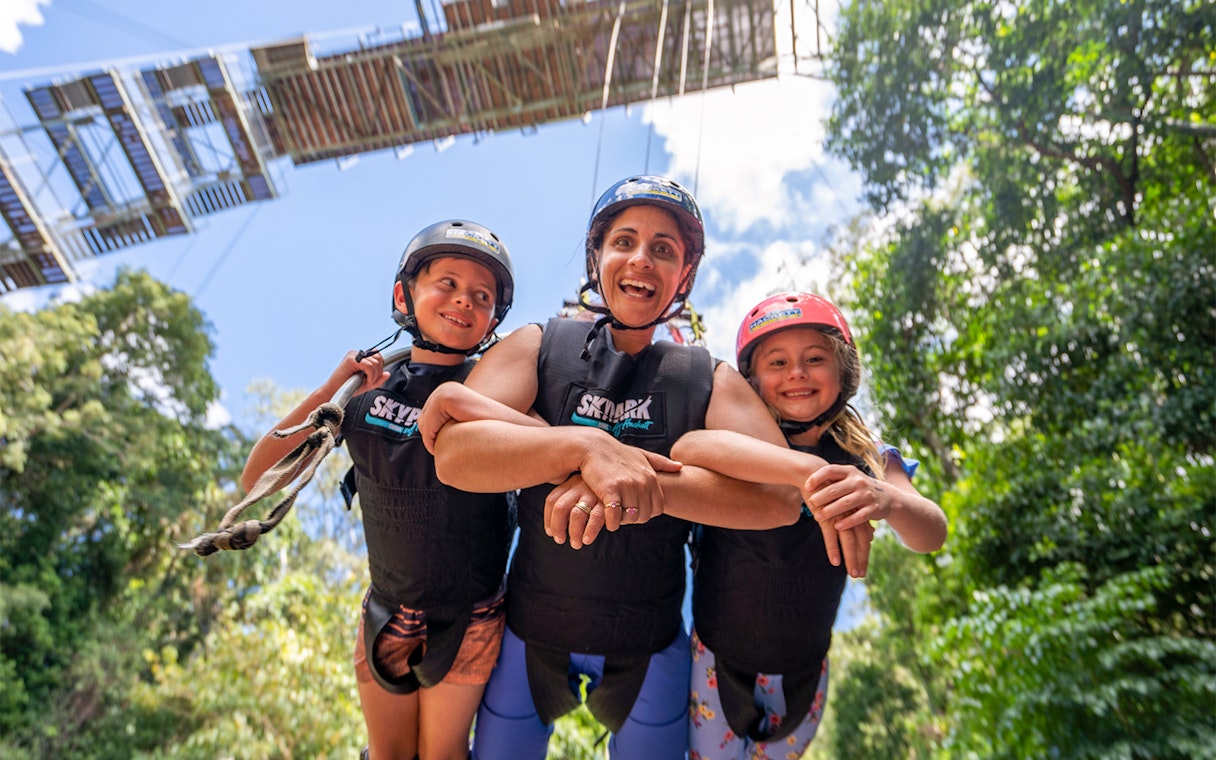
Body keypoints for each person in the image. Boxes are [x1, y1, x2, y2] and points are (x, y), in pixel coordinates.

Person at [419, 176, 872, 759]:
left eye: (664, 249)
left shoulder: (708, 376)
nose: (641, 259)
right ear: (597, 257)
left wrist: (629, 480)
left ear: (683, 276)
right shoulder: (541, 344)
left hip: (651, 642)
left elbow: (777, 498)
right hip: (531, 631)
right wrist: (584, 451)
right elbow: (456, 455)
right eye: (624, 241)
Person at [241, 220, 534, 760]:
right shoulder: (365, 397)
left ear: (494, 318)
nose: (463, 301)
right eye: (446, 283)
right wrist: (336, 388)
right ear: (406, 294)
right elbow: (258, 477)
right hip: (386, 610)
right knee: (388, 753)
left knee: (442, 753)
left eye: (481, 295)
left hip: (469, 615)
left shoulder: (498, 392)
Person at [669, 291, 949, 759]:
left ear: (843, 370)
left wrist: (885, 497)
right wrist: (799, 472)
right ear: (752, 381)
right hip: (716, 660)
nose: (797, 372)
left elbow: (933, 531)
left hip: (806, 669)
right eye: (777, 362)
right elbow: (688, 449)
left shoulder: (868, 456)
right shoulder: (739, 442)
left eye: (814, 358)